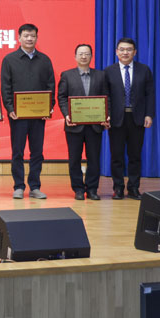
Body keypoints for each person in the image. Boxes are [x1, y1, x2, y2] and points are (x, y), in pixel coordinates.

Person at [0, 23, 55, 199]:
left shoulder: (44, 60)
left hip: (38, 115)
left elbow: (50, 85)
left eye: (32, 36)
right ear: (19, 38)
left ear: (37, 38)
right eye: (26, 36)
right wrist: (10, 108)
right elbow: (6, 87)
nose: (29, 39)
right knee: (18, 151)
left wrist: (49, 106)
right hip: (18, 115)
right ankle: (18, 186)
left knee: (37, 151)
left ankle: (35, 187)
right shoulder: (9, 60)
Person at [105, 37, 155, 200]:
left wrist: (149, 114)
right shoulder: (109, 71)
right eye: (122, 49)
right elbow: (106, 96)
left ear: (135, 52)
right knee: (116, 156)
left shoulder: (144, 70)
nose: (125, 52)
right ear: (116, 52)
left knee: (135, 156)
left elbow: (150, 94)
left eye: (128, 49)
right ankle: (118, 188)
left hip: (137, 118)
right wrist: (106, 115)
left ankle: (133, 188)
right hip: (116, 119)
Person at [57, 44, 109, 201]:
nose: (84, 56)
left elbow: (107, 97)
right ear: (75, 57)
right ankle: (78, 189)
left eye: (87, 54)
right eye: (81, 54)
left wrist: (106, 115)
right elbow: (62, 97)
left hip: (95, 125)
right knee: (74, 159)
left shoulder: (101, 75)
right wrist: (67, 115)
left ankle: (92, 189)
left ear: (91, 56)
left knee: (94, 159)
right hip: (74, 125)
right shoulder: (67, 75)